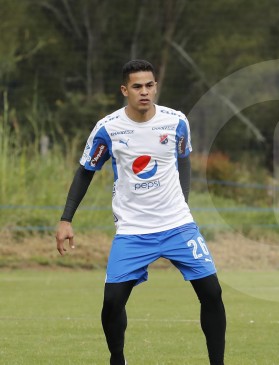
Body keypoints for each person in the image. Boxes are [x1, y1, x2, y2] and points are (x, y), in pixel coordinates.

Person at [55, 59, 226, 365]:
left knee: (212, 293)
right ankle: (117, 359)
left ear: (155, 87)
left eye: (149, 85)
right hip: (133, 231)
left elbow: (183, 158)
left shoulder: (176, 122)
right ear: (125, 90)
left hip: (178, 226)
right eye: (137, 87)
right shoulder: (108, 129)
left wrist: (182, 204)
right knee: (112, 302)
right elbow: (85, 172)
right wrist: (66, 219)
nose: (144, 92)